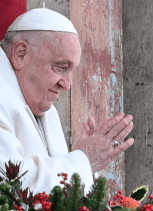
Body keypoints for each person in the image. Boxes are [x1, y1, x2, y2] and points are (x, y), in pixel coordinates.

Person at [0, 8, 134, 193]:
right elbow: (11, 187)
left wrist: (80, 160)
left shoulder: (47, 109)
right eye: (61, 67)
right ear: (20, 54)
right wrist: (84, 160)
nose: (67, 84)